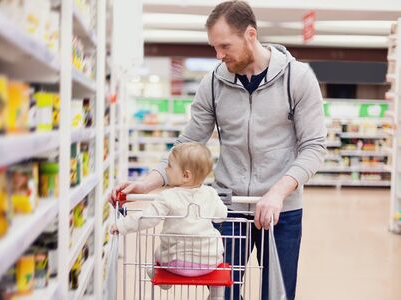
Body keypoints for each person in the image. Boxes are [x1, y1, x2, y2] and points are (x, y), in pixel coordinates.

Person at [111, 1, 326, 299]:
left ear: (250, 34)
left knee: (278, 294)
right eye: (214, 47)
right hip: (229, 208)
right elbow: (187, 143)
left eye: (224, 45)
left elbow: (314, 147)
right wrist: (150, 180)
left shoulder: (297, 79)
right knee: (222, 293)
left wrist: (277, 193)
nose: (219, 55)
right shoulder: (213, 83)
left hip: (282, 211)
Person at [111, 143, 228, 299]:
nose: (165, 169)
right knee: (221, 266)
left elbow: (147, 218)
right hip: (209, 262)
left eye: (170, 166)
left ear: (186, 175)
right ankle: (216, 296)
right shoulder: (211, 193)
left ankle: (163, 280)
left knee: (158, 252)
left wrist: (122, 225)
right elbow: (221, 215)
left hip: (175, 263)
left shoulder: (168, 196)